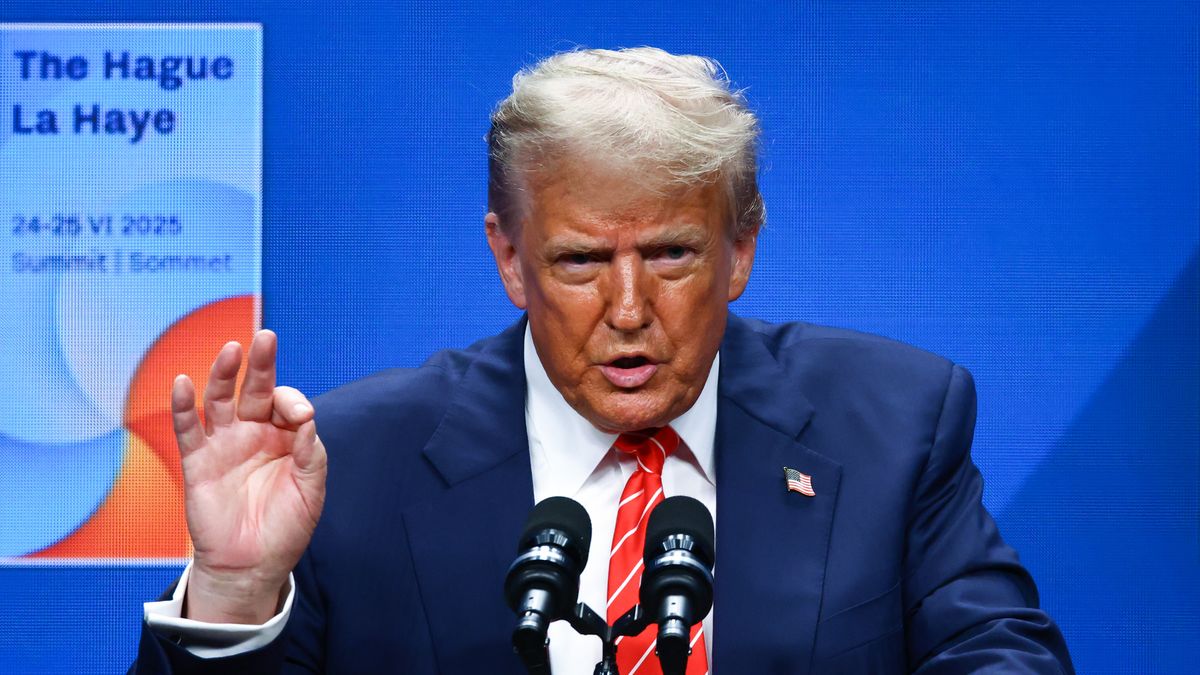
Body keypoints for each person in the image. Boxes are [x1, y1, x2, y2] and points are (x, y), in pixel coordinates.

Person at [133, 47, 1073, 674]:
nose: (629, 311)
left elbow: (1004, 653)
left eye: (670, 254)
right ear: (509, 257)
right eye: (581, 261)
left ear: (741, 248)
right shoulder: (357, 461)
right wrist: (235, 591)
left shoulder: (896, 424)